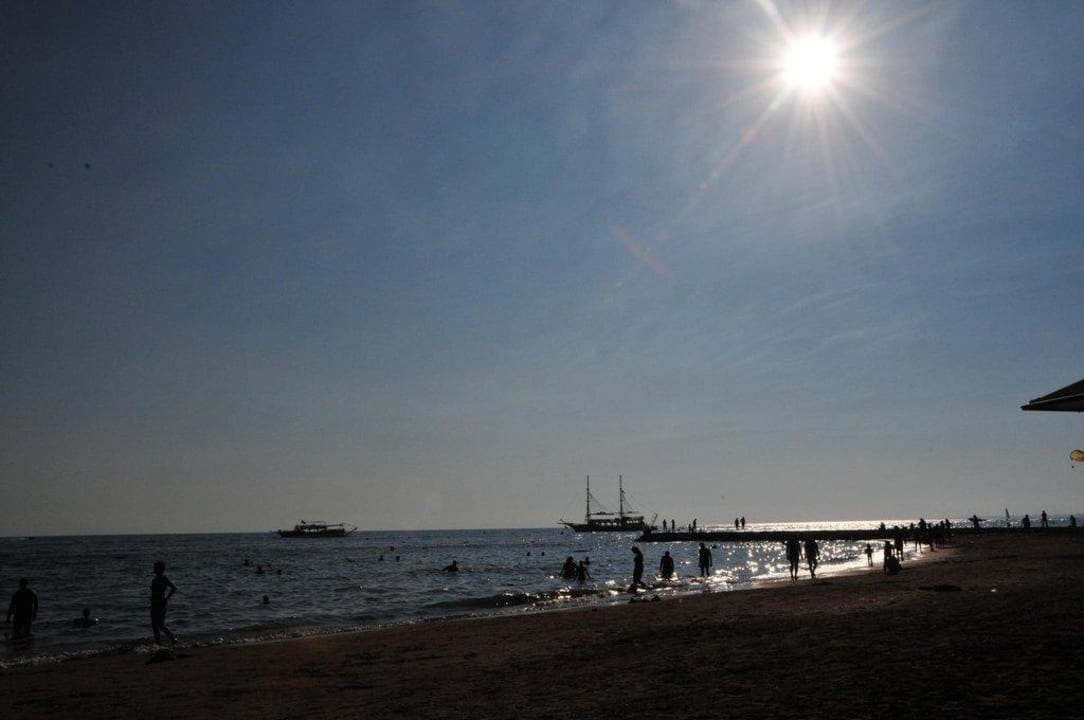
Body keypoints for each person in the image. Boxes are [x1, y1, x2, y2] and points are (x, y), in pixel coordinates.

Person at [150, 561, 177, 645]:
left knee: (160, 625)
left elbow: (173, 588)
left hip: (160, 604)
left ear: (160, 569)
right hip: (153, 604)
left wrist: (166, 598)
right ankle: (158, 643)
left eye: (156, 567)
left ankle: (173, 639)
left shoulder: (164, 578)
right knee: (154, 625)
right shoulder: (154, 579)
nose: (154, 569)